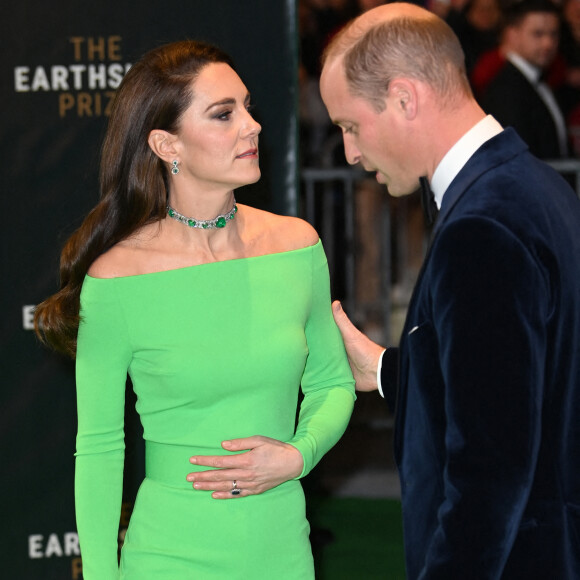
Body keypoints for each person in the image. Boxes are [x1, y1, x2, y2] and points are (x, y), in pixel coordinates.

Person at [34, 40, 355, 579]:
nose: (251, 126)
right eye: (223, 114)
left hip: (282, 550)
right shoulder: (117, 278)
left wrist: (298, 455)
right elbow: (99, 449)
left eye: (247, 107)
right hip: (168, 555)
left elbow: (332, 383)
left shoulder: (296, 246)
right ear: (166, 143)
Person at [319, 3, 580, 578]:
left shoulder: (482, 225)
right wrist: (388, 370)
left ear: (405, 98)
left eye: (351, 125)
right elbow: (509, 385)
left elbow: (489, 471)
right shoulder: (532, 186)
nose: (351, 153)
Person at [479, 0, 569, 159]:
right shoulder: (506, 90)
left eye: (553, 34)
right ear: (512, 34)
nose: (548, 43)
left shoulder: (540, 82)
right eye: (538, 34)